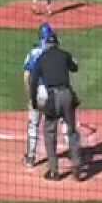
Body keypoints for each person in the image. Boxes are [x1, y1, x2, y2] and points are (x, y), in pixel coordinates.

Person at [30, 33, 81, 181]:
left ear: (46, 44)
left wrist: (34, 101)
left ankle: (54, 171)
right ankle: (76, 165)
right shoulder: (65, 55)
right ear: (57, 43)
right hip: (67, 96)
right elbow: (74, 68)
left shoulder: (41, 58)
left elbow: (33, 81)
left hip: (51, 98)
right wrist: (73, 62)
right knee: (72, 131)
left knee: (50, 132)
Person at [22, 22, 55, 167]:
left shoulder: (32, 53)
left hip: (37, 92)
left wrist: (30, 95)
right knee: (52, 125)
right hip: (51, 93)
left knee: (33, 124)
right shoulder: (55, 53)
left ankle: (30, 158)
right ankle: (54, 160)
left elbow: (26, 76)